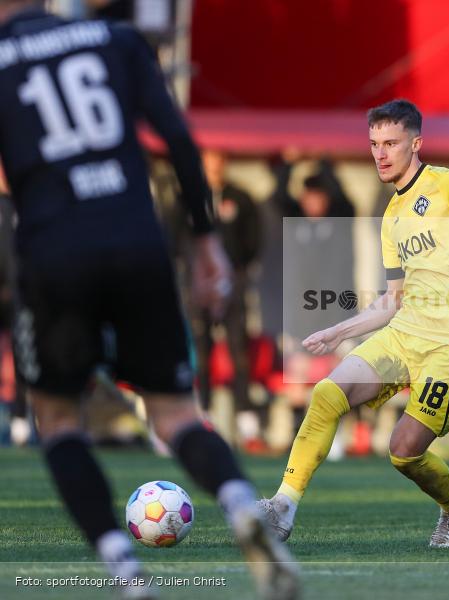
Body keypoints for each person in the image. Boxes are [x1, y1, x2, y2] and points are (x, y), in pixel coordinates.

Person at [0, 2, 298, 599]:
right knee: (175, 413)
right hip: (138, 243)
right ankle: (241, 504)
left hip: (53, 255)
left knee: (58, 422)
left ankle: (127, 573)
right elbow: (179, 140)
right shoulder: (117, 38)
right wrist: (207, 240)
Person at [258, 99, 449, 548]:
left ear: (416, 143)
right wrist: (339, 331)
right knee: (328, 392)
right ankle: (283, 507)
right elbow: (393, 300)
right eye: (374, 144)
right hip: (405, 334)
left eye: (391, 143)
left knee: (403, 453)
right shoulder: (391, 216)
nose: (381, 153)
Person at [193, 149, 261, 415]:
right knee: (201, 348)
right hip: (200, 285)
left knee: (237, 347)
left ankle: (244, 415)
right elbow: (177, 236)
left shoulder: (240, 198)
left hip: (233, 282)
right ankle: (202, 410)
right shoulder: (191, 197)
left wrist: (238, 267)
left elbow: (254, 239)